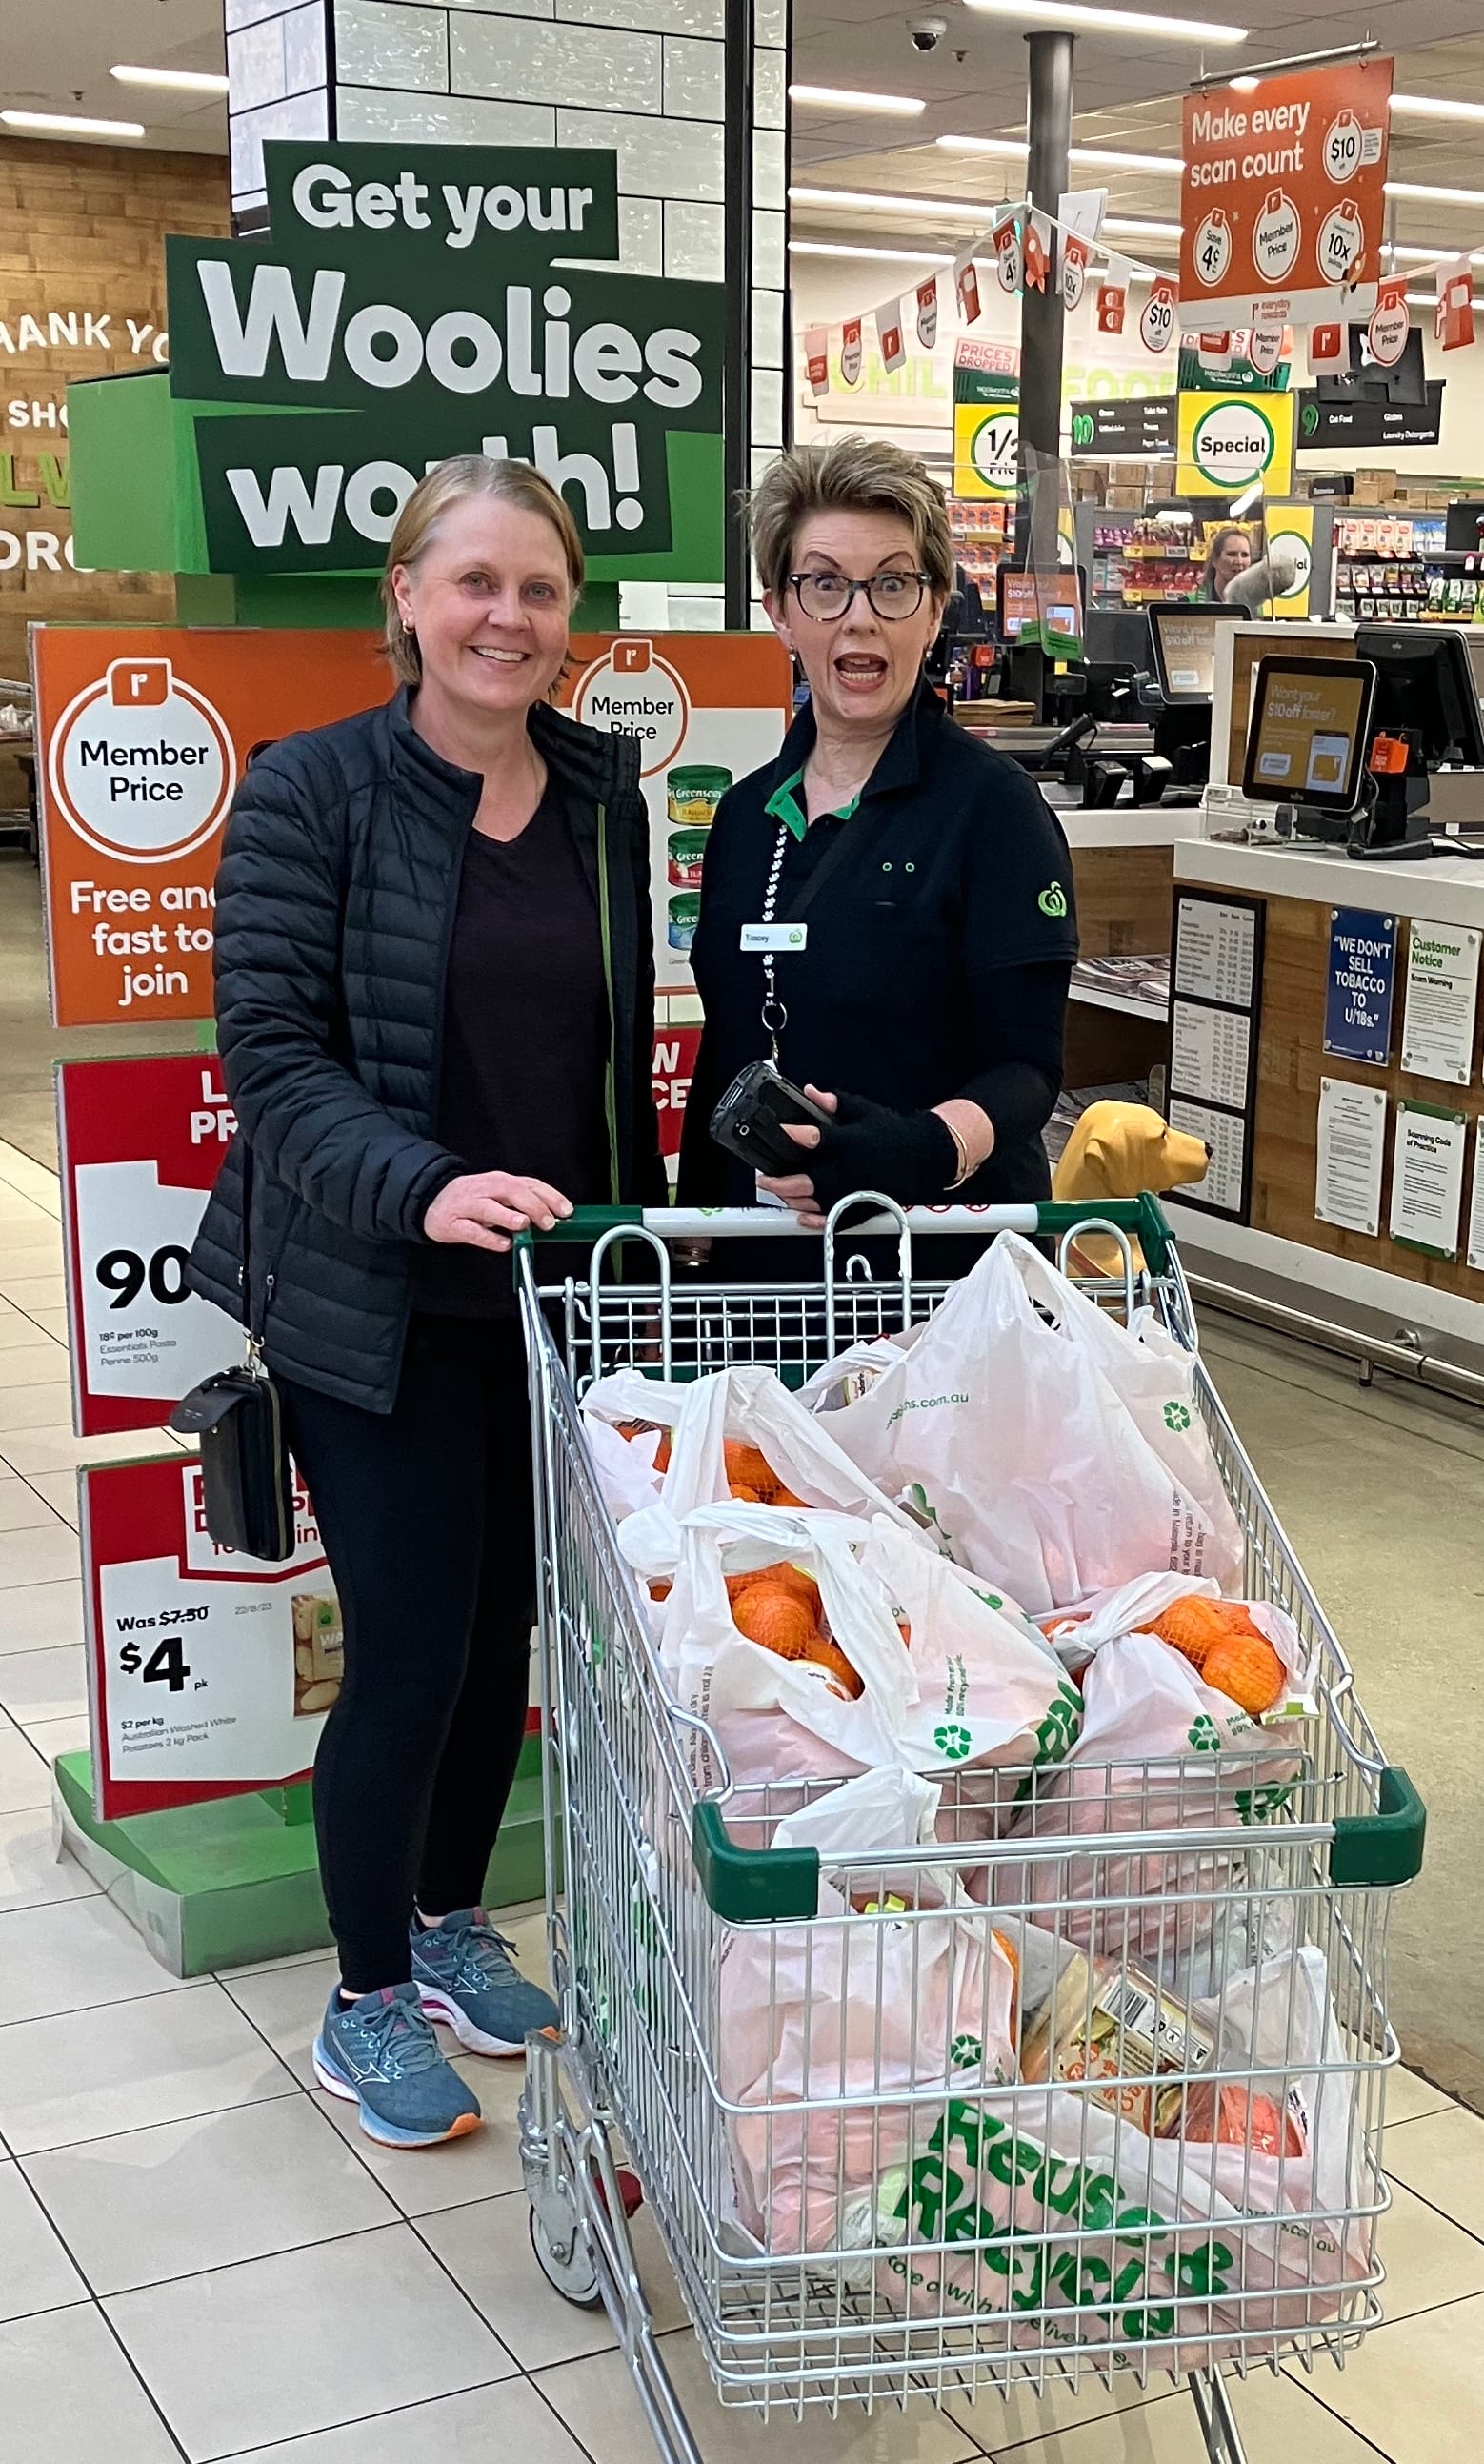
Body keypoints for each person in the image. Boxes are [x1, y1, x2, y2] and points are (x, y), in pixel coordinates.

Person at [190, 455, 663, 2149]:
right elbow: (272, 1056)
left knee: (502, 1647)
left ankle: (454, 1922)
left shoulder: (606, 798)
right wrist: (426, 1186)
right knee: (403, 1653)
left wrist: (637, 1273)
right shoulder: (309, 788)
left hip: (548, 1310)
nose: (508, 618)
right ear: (402, 597)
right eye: (474, 582)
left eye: (539, 590)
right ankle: (366, 1994)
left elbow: (609, 1064)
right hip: (371, 1298)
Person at [677, 435, 1077, 1240]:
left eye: (892, 585)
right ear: (780, 613)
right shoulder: (747, 814)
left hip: (935, 1261)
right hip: (759, 1276)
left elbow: (1028, 1069)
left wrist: (922, 1149)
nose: (859, 619)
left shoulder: (995, 810)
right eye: (824, 585)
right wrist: (687, 1250)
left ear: (933, 610)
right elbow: (725, 1053)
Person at [1202, 525, 1253, 599]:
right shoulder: (1189, 604)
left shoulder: (1261, 606)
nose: (1239, 561)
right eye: (1231, 554)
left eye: (1245, 555)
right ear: (1214, 560)